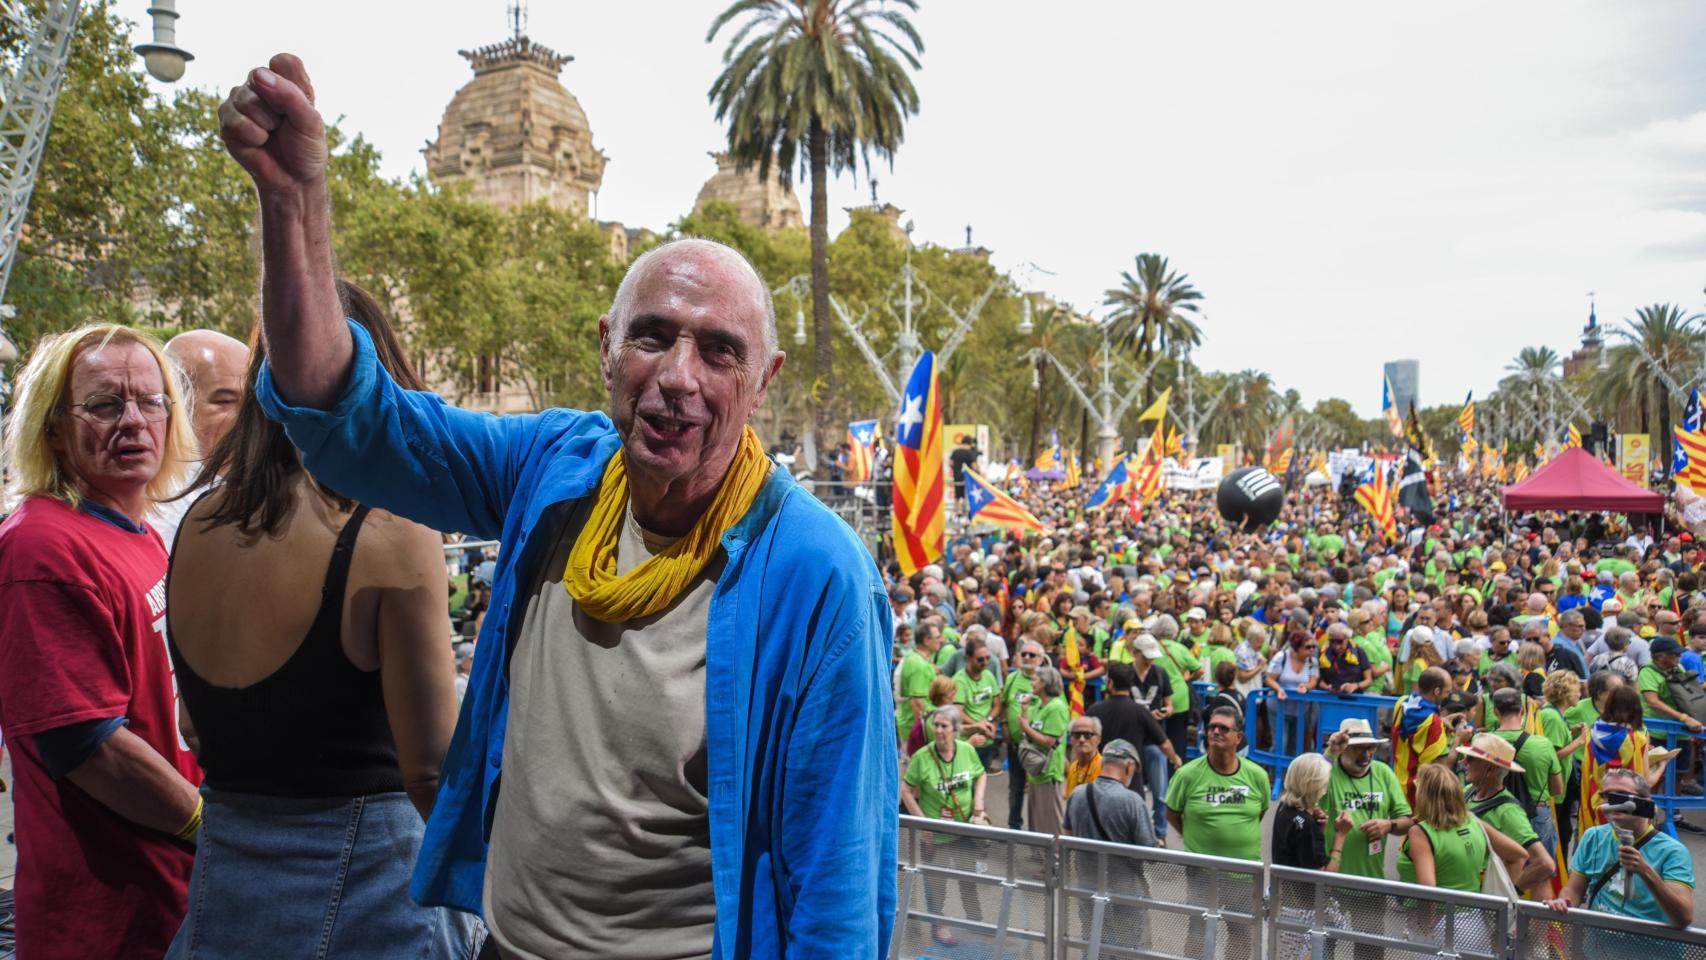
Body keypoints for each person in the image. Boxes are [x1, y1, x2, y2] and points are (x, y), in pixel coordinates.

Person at [221, 57, 896, 955]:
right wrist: (295, 203)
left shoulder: (816, 573)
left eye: (719, 351)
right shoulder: (554, 468)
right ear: (607, 348)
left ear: (762, 381)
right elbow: (350, 420)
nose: (678, 379)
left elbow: (836, 884)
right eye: (653, 338)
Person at [162, 296, 473, 957]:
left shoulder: (196, 524)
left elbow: (193, 724)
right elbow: (430, 771)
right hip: (370, 901)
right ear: (380, 375)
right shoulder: (391, 530)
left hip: (226, 899)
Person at [0, 324, 204, 960]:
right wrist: (209, 826)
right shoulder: (42, 547)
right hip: (103, 922)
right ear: (53, 427)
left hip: (167, 897)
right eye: (104, 404)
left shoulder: (137, 533)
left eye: (150, 401)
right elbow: (87, 744)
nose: (133, 421)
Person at [1167, 705, 1268, 958]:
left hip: (1244, 874)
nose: (1216, 732)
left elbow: (1260, 812)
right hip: (1202, 873)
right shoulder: (1187, 774)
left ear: (1239, 737)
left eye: (1224, 728)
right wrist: (1192, 835)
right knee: (1199, 931)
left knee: (1242, 933)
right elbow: (1172, 812)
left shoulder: (1257, 776)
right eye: (1212, 727)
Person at [1545, 768, 1694, 932]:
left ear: (1645, 801)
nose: (1614, 803)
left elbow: (1683, 917)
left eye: (1622, 795)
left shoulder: (1673, 852)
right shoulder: (1593, 837)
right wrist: (1566, 902)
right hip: (1595, 951)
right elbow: (1574, 889)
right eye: (1608, 796)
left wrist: (1646, 872)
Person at [1397, 765, 1531, 945]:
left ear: (1424, 795)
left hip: (1439, 927)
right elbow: (1519, 855)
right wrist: (1507, 894)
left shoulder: (1420, 832)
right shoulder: (1473, 821)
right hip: (1476, 923)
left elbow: (1428, 889)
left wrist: (1424, 927)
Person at [152, 329, 250, 548]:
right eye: (225, 401)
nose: (246, 417)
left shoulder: (255, 483)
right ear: (174, 406)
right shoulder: (168, 506)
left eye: (252, 402)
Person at [900, 705, 988, 948]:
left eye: (944, 726)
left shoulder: (967, 751)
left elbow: (981, 774)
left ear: (956, 730)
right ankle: (938, 925)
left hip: (964, 833)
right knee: (936, 884)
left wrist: (978, 802)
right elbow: (906, 790)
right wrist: (922, 823)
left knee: (967, 879)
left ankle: (975, 920)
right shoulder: (922, 757)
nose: (938, 730)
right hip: (934, 838)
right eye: (935, 725)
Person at [1087, 661, 1180, 843]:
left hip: (1099, 781)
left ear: (1110, 683)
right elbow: (1164, 742)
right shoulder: (1140, 712)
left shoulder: (1095, 710)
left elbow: (1083, 745)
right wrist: (1175, 759)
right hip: (1131, 785)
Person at [1458, 732, 1557, 894]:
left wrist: (1511, 892)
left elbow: (1545, 863)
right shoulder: (1469, 791)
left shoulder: (1509, 811)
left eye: (1470, 759)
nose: (1464, 762)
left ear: (1489, 769)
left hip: (1482, 902)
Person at [1581, 685, 1670, 841]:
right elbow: (1645, 782)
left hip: (1595, 802)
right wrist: (1663, 764)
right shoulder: (1636, 740)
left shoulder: (1591, 733)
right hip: (1624, 810)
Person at [1271, 753, 1353, 870]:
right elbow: (1324, 877)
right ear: (1316, 785)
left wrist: (1318, 830)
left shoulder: (1284, 805)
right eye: (1326, 781)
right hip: (1300, 888)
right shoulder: (1307, 825)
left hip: (1282, 885)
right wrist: (1340, 835)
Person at [1393, 667, 1458, 808]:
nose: (1448, 696)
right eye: (1447, 691)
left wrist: (1440, 720)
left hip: (1397, 785)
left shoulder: (1402, 703)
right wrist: (1458, 739)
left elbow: (1416, 722)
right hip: (1418, 792)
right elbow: (1443, 766)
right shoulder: (1433, 723)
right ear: (1437, 691)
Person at [1018, 665, 1070, 835]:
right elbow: (1027, 733)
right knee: (1036, 817)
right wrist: (1024, 710)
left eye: (1036, 679)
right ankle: (1039, 853)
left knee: (1051, 818)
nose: (1032, 683)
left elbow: (1049, 741)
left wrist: (1026, 727)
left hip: (1048, 771)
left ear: (1045, 683)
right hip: (1035, 771)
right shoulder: (1040, 704)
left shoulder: (1057, 707)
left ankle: (1056, 856)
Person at [1003, 638, 1045, 829]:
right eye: (1024, 654)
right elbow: (1004, 703)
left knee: (1038, 790)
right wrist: (1004, 724)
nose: (1027, 657)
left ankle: (1037, 832)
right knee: (1016, 788)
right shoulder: (1012, 678)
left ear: (1041, 659)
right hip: (1016, 744)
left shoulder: (1046, 680)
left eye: (1032, 655)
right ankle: (1014, 826)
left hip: (1038, 747)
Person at [950, 635, 1001, 772]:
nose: (985, 662)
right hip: (968, 740)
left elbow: (997, 704)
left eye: (987, 658)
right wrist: (979, 725)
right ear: (968, 658)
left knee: (981, 781)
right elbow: (958, 712)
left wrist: (989, 721)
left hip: (987, 740)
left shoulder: (989, 675)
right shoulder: (959, 680)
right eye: (980, 659)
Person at [1063, 714, 1103, 798]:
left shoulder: (1103, 768)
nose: (1081, 739)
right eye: (1077, 735)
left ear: (1098, 739)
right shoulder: (1073, 767)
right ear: (1071, 739)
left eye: (1087, 735)